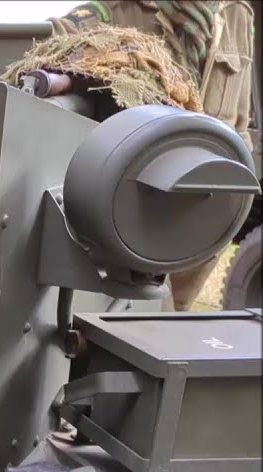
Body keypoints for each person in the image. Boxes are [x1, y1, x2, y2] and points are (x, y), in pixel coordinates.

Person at [50, 0, 256, 310]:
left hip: (207, 211)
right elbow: (51, 56)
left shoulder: (237, 14)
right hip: (133, 218)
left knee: (173, 320)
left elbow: (238, 120)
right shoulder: (114, 10)